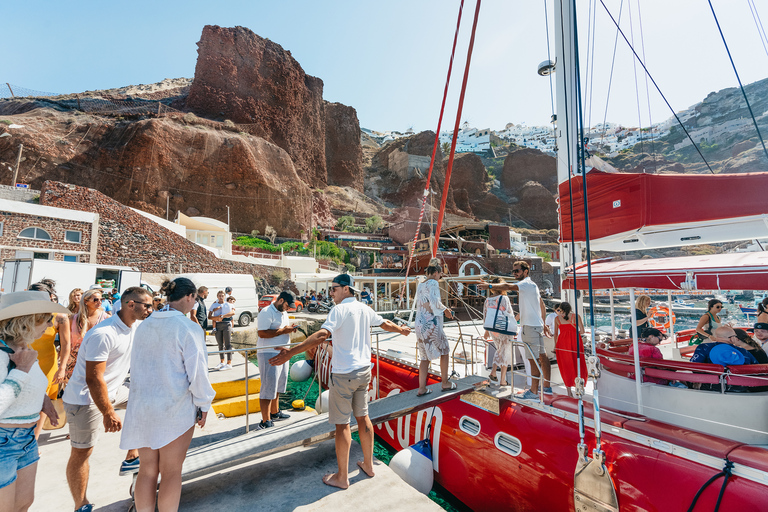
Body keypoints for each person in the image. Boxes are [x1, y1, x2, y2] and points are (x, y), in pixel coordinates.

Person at [269, 274, 411, 490]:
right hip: (364, 372)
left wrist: (292, 352)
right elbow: (386, 323)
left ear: (346, 289)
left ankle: (342, 477)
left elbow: (321, 335)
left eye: (333, 289)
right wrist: (402, 330)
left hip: (344, 374)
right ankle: (369, 465)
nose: (331, 293)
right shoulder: (364, 308)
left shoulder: (339, 310)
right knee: (363, 418)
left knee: (343, 424)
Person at [120, 278, 215, 512]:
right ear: (189, 297)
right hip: (174, 407)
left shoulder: (144, 326)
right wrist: (203, 405)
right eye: (195, 299)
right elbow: (198, 373)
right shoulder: (188, 328)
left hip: (143, 408)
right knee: (172, 472)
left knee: (147, 470)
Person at [63, 287, 153, 512]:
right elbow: (94, 379)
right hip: (85, 399)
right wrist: (108, 412)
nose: (151, 310)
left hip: (113, 390)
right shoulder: (104, 334)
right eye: (147, 306)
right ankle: (80, 504)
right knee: (82, 452)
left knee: (143, 400)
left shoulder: (136, 326)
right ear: (130, 305)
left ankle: (132, 454)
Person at [0, 291, 69, 512]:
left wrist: (42, 401)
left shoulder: (26, 349)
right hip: (4, 441)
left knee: (23, 504)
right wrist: (21, 369)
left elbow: (30, 382)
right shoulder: (4, 354)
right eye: (46, 319)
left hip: (26, 439)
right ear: (28, 321)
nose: (50, 324)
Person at [478, 261, 552, 401]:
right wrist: (543, 323)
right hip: (537, 326)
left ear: (525, 271)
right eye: (513, 271)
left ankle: (534, 392)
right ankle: (547, 387)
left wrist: (489, 285)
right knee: (543, 357)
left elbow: (508, 286)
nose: (514, 273)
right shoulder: (532, 286)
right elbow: (541, 303)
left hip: (529, 327)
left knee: (533, 360)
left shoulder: (525, 284)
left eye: (517, 271)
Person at [28, 281, 71, 439]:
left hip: (47, 363)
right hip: (22, 360)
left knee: (42, 401)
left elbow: (66, 345)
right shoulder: (24, 313)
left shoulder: (60, 316)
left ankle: (34, 440)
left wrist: (62, 368)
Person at [414, 259, 455, 396]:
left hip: (419, 324)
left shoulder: (420, 285)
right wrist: (446, 310)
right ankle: (445, 383)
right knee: (445, 349)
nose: (439, 277)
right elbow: (435, 301)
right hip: (430, 322)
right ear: (436, 273)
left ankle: (422, 388)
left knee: (424, 357)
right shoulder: (433, 283)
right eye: (440, 275)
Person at [256, 291, 297, 429]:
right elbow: (261, 333)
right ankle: (265, 420)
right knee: (268, 387)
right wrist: (284, 331)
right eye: (287, 305)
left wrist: (290, 329)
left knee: (278, 384)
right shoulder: (266, 312)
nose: (288, 308)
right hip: (268, 353)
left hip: (282, 353)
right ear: (280, 300)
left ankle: (275, 412)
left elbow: (282, 329)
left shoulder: (283, 312)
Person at [67, 288, 110, 381]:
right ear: (86, 301)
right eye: (96, 300)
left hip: (96, 359)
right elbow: (66, 341)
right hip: (74, 361)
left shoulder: (106, 318)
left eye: (101, 299)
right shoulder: (73, 319)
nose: (99, 302)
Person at [482, 278, 516, 388]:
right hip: (503, 328)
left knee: (500, 350)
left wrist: (487, 330)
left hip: (492, 329)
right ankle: (502, 380)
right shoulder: (504, 298)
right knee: (505, 352)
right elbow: (509, 313)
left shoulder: (487, 300)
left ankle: (494, 372)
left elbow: (485, 316)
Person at [553, 301, 586, 396]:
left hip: (562, 344)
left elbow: (555, 334)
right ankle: (579, 387)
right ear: (570, 308)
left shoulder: (557, 318)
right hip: (575, 343)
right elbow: (582, 331)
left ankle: (568, 391)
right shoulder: (576, 316)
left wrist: (555, 346)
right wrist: (573, 332)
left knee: (566, 366)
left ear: (561, 309)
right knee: (578, 364)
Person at [691, 326, 758, 365]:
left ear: (717, 336)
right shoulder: (742, 351)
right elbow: (756, 366)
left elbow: (694, 365)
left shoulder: (703, 347)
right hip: (739, 386)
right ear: (732, 338)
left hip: (708, 385)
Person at [208, 290, 235, 370]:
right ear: (217, 296)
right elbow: (209, 316)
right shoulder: (214, 305)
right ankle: (222, 362)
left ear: (224, 296)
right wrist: (216, 318)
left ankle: (229, 363)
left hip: (227, 324)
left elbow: (233, 313)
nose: (221, 297)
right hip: (218, 325)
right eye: (219, 295)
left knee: (228, 344)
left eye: (222, 295)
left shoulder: (229, 304)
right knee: (220, 344)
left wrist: (223, 316)